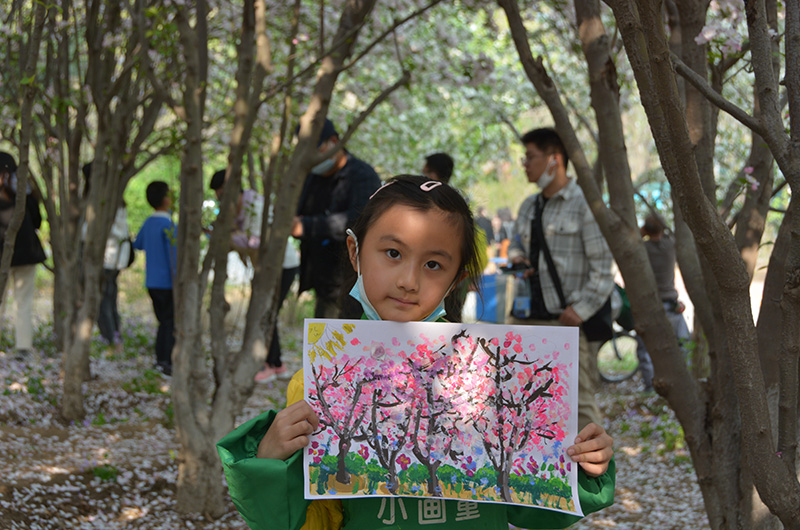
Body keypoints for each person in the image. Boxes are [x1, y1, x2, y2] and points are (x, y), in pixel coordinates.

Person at [217, 175, 615, 530]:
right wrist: (270, 460)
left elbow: (534, 506)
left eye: (433, 264)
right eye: (392, 253)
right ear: (355, 252)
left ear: (456, 277)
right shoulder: (320, 382)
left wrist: (582, 468)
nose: (409, 281)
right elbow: (314, 522)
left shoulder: (493, 372)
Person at [506, 128, 614, 430]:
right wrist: (517, 257)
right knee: (518, 401)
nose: (525, 164)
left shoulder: (585, 205)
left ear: (554, 160)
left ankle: (592, 476)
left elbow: (604, 268)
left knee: (578, 407)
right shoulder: (529, 205)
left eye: (530, 157)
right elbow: (516, 243)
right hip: (525, 319)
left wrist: (579, 311)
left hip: (566, 323)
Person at [209, 169, 300, 383]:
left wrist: (229, 237)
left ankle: (273, 364)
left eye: (222, 194)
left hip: (282, 265)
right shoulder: (242, 207)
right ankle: (275, 364)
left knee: (267, 312)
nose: (221, 200)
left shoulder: (255, 206)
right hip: (268, 267)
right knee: (267, 312)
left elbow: (256, 241)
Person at [292, 119, 381, 319]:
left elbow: (358, 221)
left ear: (334, 141)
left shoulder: (362, 176)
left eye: (316, 149)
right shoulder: (312, 178)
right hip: (322, 280)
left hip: (351, 285)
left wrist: (307, 226)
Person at [635, 214, 690, 393]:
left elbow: (630, 243)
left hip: (650, 305)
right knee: (683, 343)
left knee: (645, 349)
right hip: (671, 304)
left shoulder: (643, 248)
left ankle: (650, 386)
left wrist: (640, 232)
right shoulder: (670, 246)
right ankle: (683, 380)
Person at [0, 152, 47, 359]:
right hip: (26, 254)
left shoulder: (24, 193)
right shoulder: (26, 192)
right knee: (23, 301)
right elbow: (37, 221)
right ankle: (23, 347)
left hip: (10, 256)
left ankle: (23, 348)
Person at [82, 162, 132, 349]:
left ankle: (112, 339)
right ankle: (115, 337)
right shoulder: (111, 198)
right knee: (109, 299)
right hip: (113, 257)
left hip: (108, 257)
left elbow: (112, 230)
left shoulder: (107, 200)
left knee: (105, 300)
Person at [133, 181, 177, 376]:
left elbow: (138, 243)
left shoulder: (149, 222)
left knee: (163, 321)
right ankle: (166, 361)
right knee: (169, 322)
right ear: (166, 199)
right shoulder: (168, 224)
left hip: (152, 281)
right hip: (168, 282)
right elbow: (173, 256)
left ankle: (160, 359)